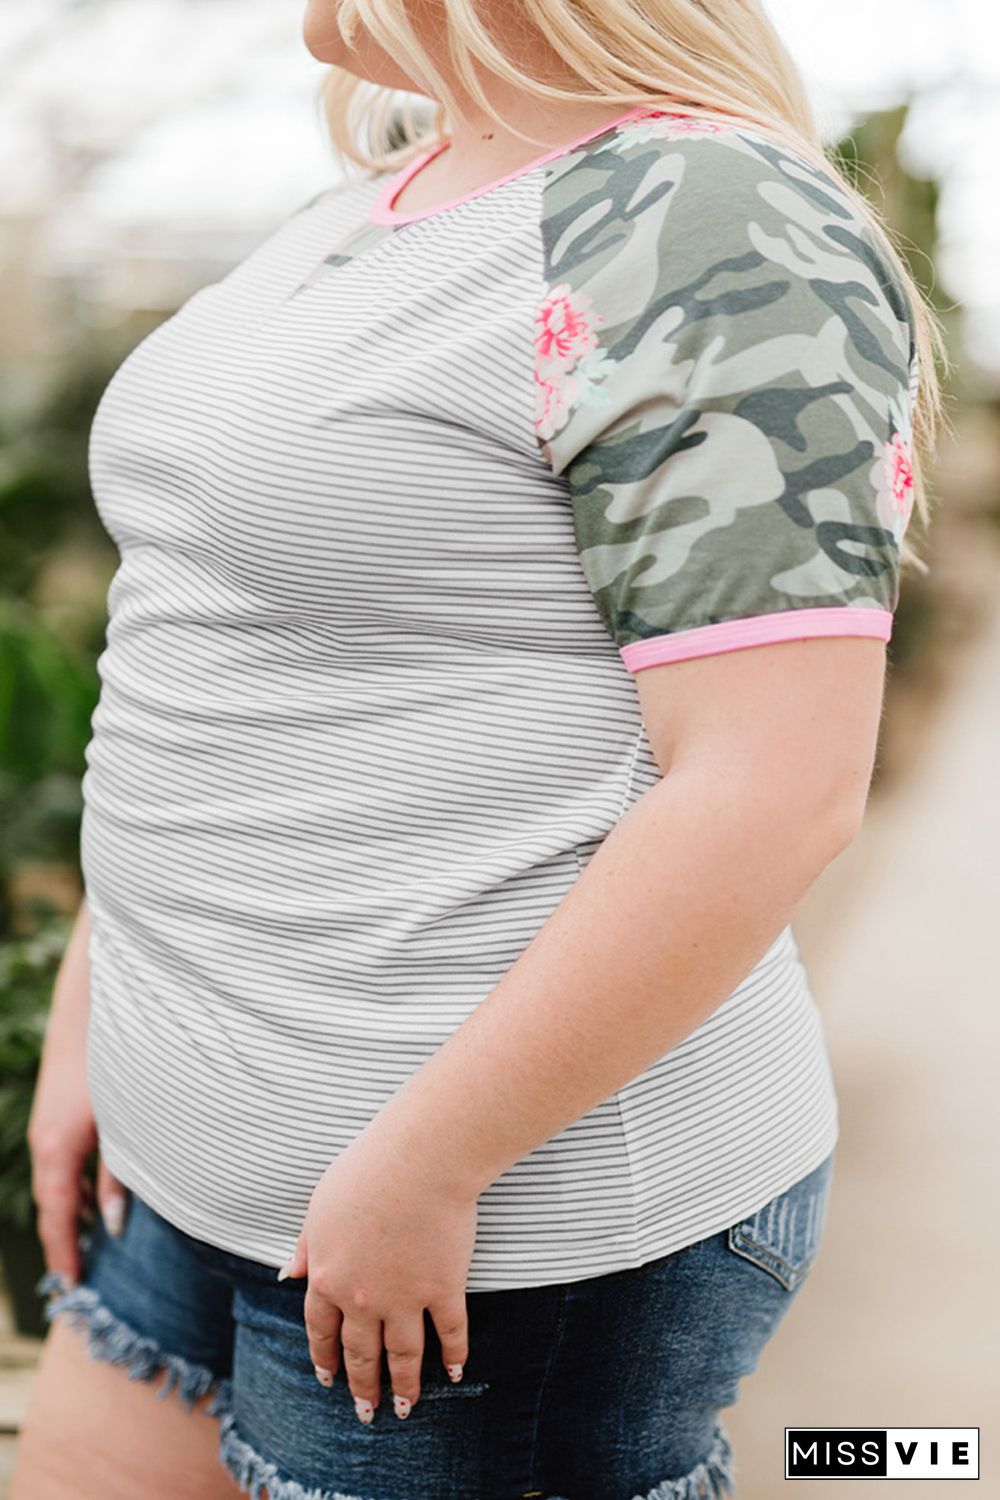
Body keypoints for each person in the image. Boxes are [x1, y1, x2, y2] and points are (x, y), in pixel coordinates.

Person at [12, 2, 944, 1498]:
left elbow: (774, 788)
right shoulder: (375, 204)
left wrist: (430, 1166)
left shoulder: (706, 217)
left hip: (481, 1237)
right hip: (176, 1166)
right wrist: (96, 1024)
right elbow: (211, 646)